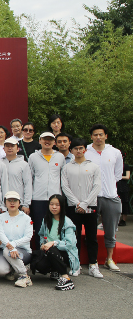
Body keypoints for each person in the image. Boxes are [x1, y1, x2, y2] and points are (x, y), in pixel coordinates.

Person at [84, 124, 123, 272]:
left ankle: (109, 259)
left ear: (106, 136)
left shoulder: (115, 152)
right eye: (95, 135)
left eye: (101, 134)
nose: (98, 137)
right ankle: (91, 260)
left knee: (110, 230)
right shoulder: (86, 151)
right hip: (91, 197)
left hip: (110, 195)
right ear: (91, 137)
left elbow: (117, 175)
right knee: (90, 231)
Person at [31, 194, 80, 291]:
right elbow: (41, 235)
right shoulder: (46, 220)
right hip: (50, 252)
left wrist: (53, 243)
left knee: (52, 250)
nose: (54, 207)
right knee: (38, 264)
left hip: (65, 253)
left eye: (57, 205)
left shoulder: (67, 222)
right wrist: (43, 244)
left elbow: (69, 244)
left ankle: (66, 279)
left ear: (62, 206)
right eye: (51, 204)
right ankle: (55, 270)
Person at [29, 132, 65, 249]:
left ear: (54, 142)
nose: (47, 141)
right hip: (38, 198)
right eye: (45, 139)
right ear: (40, 141)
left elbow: (63, 177)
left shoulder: (60, 157)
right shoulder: (33, 157)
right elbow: (30, 178)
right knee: (39, 228)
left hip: (55, 199)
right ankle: (39, 253)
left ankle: (54, 253)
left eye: (50, 139)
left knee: (55, 227)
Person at [0, 191, 33, 288]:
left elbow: (28, 236)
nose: (12, 203)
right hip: (5, 249)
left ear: (19, 203)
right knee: (0, 270)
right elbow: (1, 234)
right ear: (5, 203)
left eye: (15, 200)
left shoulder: (26, 218)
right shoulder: (0, 217)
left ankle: (24, 276)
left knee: (7, 251)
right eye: (9, 200)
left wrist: (13, 245)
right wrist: (10, 247)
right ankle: (13, 269)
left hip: (23, 251)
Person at [2, 137, 32, 216]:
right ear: (4, 149)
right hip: (2, 204)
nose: (10, 148)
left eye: (12, 146)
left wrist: (26, 204)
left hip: (18, 203)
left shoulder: (24, 164)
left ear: (18, 149)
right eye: (7, 146)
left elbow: (28, 184)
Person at [118, 158, 130, 226]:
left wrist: (119, 177)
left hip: (123, 186)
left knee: (125, 203)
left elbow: (127, 177)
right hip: (116, 186)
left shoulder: (125, 166)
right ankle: (116, 219)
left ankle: (123, 220)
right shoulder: (114, 166)